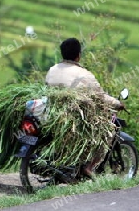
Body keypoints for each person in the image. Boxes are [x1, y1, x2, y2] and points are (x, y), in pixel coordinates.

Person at [45, 37, 124, 179]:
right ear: (78, 55)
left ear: (62, 54)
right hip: (75, 118)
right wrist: (118, 104)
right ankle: (89, 167)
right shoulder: (84, 75)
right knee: (108, 131)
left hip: (53, 116)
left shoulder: (52, 70)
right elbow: (101, 97)